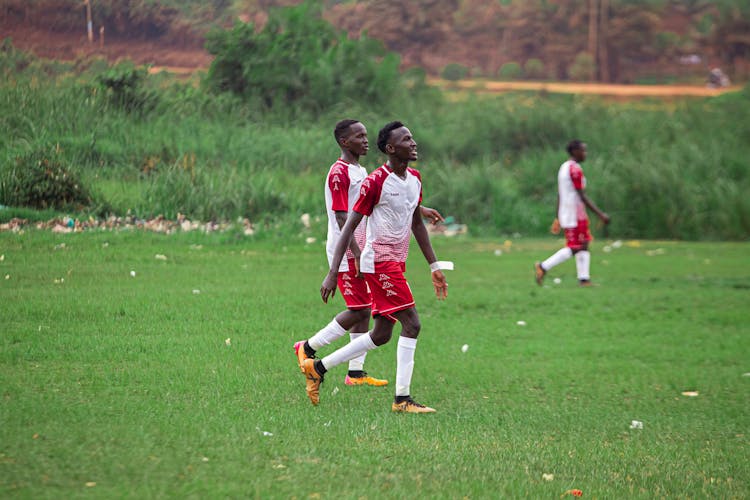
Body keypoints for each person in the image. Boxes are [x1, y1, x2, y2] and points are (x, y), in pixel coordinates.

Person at [299, 121, 449, 413]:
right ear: (392, 149)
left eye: (413, 137)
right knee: (412, 324)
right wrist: (333, 272)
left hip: (396, 262)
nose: (414, 143)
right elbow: (348, 225)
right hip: (378, 262)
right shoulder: (375, 181)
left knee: (381, 334)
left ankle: (318, 367)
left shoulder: (415, 179)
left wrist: (434, 265)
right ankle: (402, 400)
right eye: (407, 139)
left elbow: (415, 222)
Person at [535, 140, 609, 286]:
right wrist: (600, 214)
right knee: (576, 246)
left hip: (572, 212)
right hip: (573, 214)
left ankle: (584, 279)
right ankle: (543, 266)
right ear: (575, 151)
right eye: (583, 151)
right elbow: (581, 195)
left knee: (585, 242)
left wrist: (557, 216)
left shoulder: (564, 167)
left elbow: (560, 194)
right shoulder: (574, 170)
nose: (585, 154)